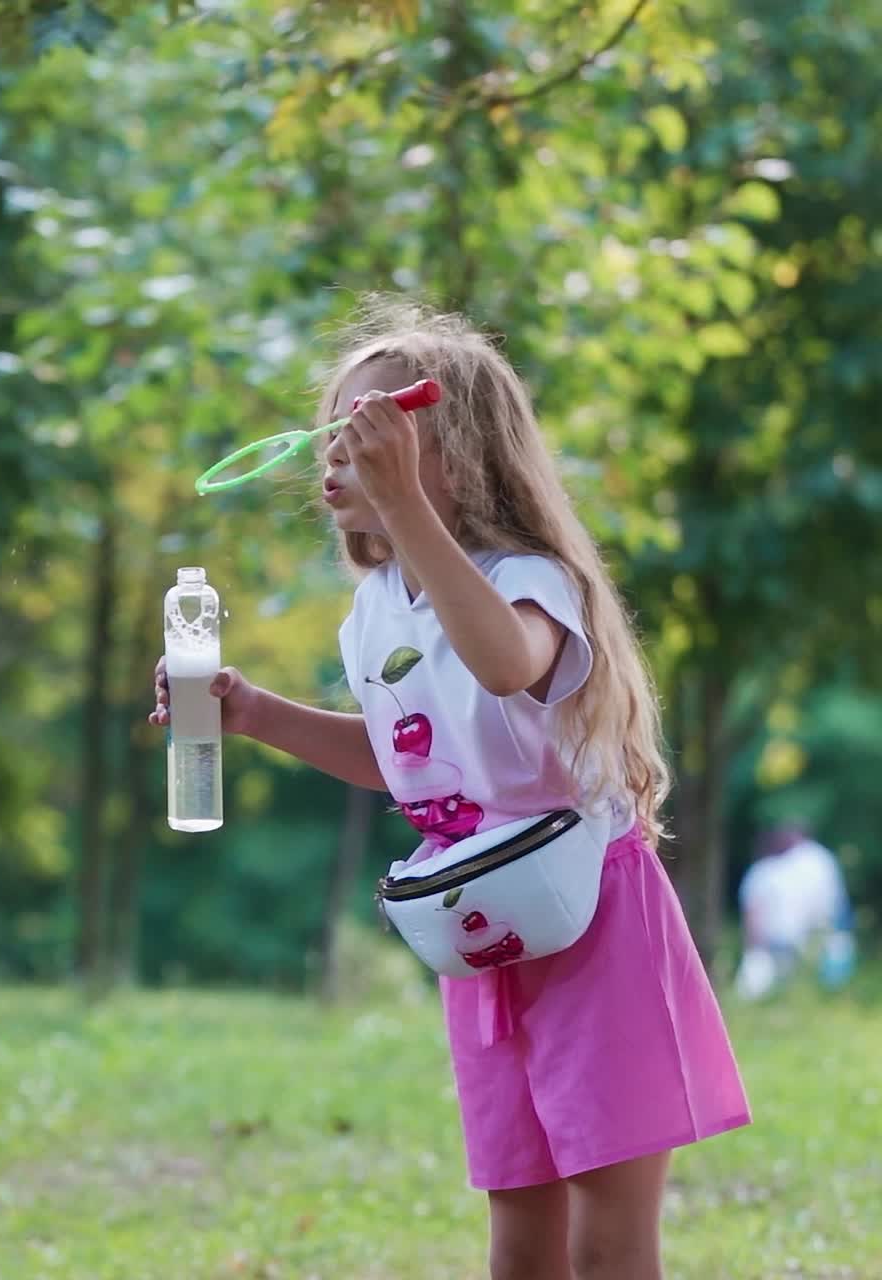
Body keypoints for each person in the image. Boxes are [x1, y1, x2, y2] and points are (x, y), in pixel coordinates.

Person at [150, 297, 750, 1280]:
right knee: (519, 1236)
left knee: (605, 1241)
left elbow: (506, 663)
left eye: (368, 432)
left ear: (459, 457)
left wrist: (406, 510)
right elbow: (405, 759)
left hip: (594, 925)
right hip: (484, 933)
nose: (336, 453)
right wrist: (254, 712)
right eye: (331, 432)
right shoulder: (374, 610)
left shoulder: (530, 579)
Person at [735, 824, 855, 1000]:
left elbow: (753, 913)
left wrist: (754, 947)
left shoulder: (766, 871)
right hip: (806, 939)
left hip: (789, 941)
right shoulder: (816, 860)